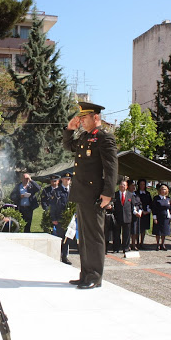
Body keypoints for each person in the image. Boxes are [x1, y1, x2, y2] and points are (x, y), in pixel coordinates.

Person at [63, 101, 118, 289]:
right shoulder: (85, 137)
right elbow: (68, 146)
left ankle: (95, 276)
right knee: (84, 237)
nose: (81, 121)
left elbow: (111, 169)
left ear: (96, 117)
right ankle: (85, 274)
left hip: (95, 195)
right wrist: (70, 130)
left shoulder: (104, 138)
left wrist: (108, 194)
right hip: (82, 194)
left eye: (84, 118)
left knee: (94, 237)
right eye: (80, 118)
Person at [41, 174, 71, 264]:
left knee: (68, 238)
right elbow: (53, 206)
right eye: (66, 179)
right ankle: (58, 256)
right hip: (60, 218)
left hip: (70, 219)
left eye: (69, 179)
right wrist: (53, 218)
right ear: (62, 180)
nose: (67, 181)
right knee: (60, 238)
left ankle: (65, 256)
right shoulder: (57, 191)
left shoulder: (73, 191)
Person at [113, 180, 132, 253]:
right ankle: (116, 248)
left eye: (124, 185)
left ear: (127, 187)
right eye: (121, 184)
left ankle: (126, 248)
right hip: (117, 217)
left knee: (126, 234)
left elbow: (132, 206)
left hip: (127, 217)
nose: (122, 186)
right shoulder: (115, 194)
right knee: (117, 234)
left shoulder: (130, 195)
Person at [152, 183, 171, 251]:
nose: (163, 190)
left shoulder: (168, 199)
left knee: (164, 231)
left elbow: (170, 208)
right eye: (162, 189)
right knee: (158, 231)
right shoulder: (156, 198)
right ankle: (157, 244)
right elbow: (154, 208)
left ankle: (162, 244)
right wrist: (154, 217)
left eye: (165, 189)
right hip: (158, 216)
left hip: (166, 216)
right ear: (160, 190)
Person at [136, 179, 153, 248]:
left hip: (146, 212)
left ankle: (142, 242)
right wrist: (141, 211)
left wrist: (148, 211)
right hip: (138, 212)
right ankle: (136, 242)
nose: (142, 186)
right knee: (137, 228)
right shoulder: (136, 193)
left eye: (143, 184)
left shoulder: (148, 194)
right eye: (141, 184)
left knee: (144, 228)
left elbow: (150, 203)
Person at [127, 180, 142, 252]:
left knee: (135, 230)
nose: (133, 187)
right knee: (129, 230)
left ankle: (134, 244)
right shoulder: (127, 194)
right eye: (132, 185)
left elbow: (139, 204)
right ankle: (128, 244)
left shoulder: (136, 195)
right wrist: (134, 211)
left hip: (137, 215)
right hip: (129, 214)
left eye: (134, 186)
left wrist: (140, 211)